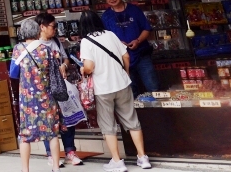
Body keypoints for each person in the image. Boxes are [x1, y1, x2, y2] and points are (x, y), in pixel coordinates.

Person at [79, 12, 149, 171]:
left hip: (103, 89)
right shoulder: (111, 34)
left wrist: (83, 68)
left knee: (108, 125)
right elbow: (126, 57)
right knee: (132, 121)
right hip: (122, 84)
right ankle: (142, 157)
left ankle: (117, 161)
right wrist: (125, 73)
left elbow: (89, 67)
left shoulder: (86, 41)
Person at [11, 14, 82, 167]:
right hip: (48, 96)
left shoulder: (17, 50)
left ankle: (25, 169)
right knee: (52, 133)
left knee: (25, 135)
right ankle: (56, 168)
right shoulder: (47, 49)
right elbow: (55, 71)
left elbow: (13, 73)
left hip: (28, 98)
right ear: (38, 31)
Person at [100, 0, 158, 95]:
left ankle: (159, 111)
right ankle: (137, 112)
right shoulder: (106, 16)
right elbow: (105, 38)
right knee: (131, 92)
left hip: (141, 55)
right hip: (122, 59)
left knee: (153, 86)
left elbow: (147, 29)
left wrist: (138, 41)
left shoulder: (134, 10)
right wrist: (117, 44)